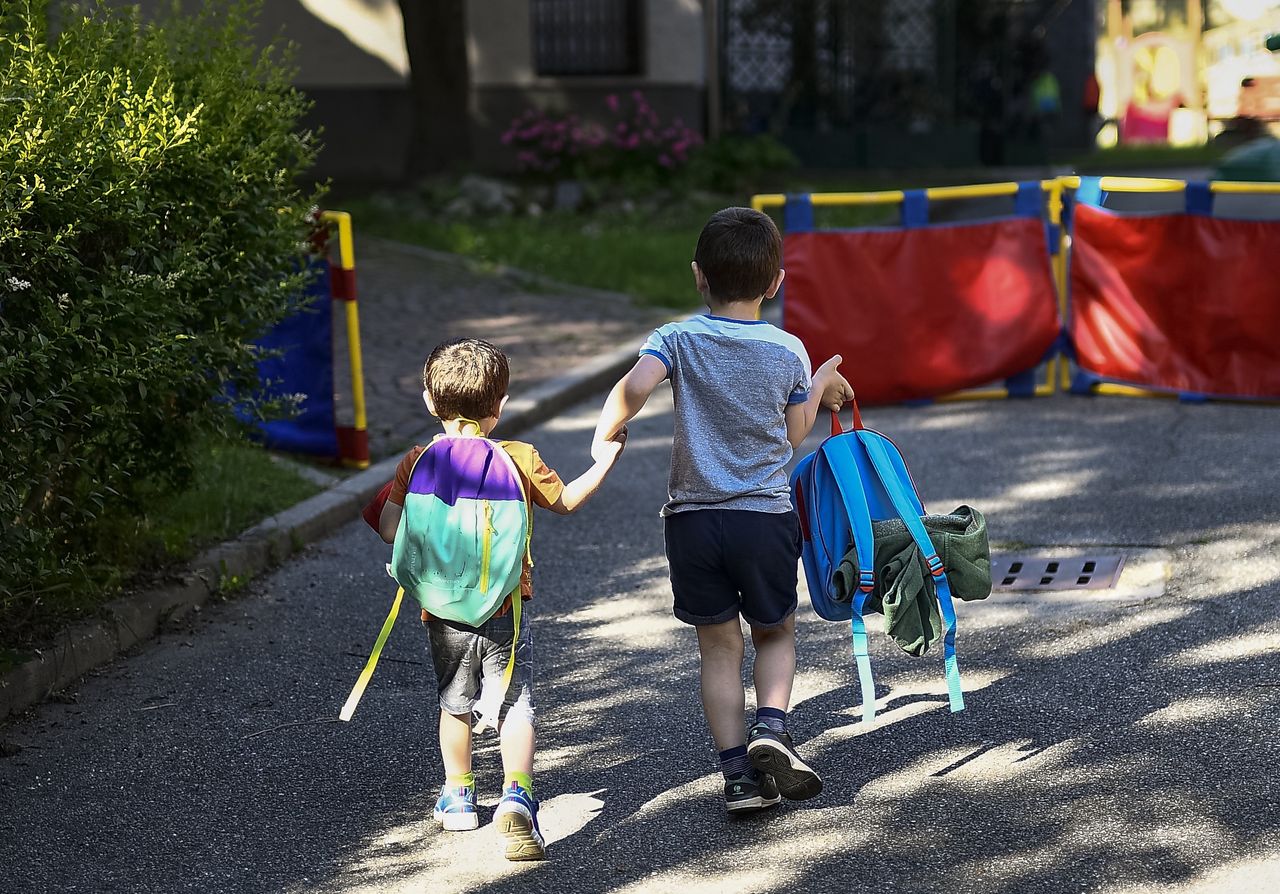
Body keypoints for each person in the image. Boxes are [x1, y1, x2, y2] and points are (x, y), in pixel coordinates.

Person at [592, 207, 854, 812]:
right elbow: (794, 434)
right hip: (762, 518)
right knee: (776, 630)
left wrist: (607, 433)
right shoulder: (788, 349)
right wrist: (818, 386)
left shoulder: (675, 338)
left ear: (698, 277)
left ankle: (737, 777)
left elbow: (631, 389)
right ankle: (770, 730)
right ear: (776, 283)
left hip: (691, 520)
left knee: (718, 646)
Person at [377, 338, 626, 860]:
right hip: (506, 607)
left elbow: (388, 527)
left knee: (454, 703)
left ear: (429, 401)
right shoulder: (519, 457)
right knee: (515, 704)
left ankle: (460, 796)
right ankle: (517, 794)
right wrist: (605, 459)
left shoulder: (417, 460)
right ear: (500, 406)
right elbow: (567, 501)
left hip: (440, 612)